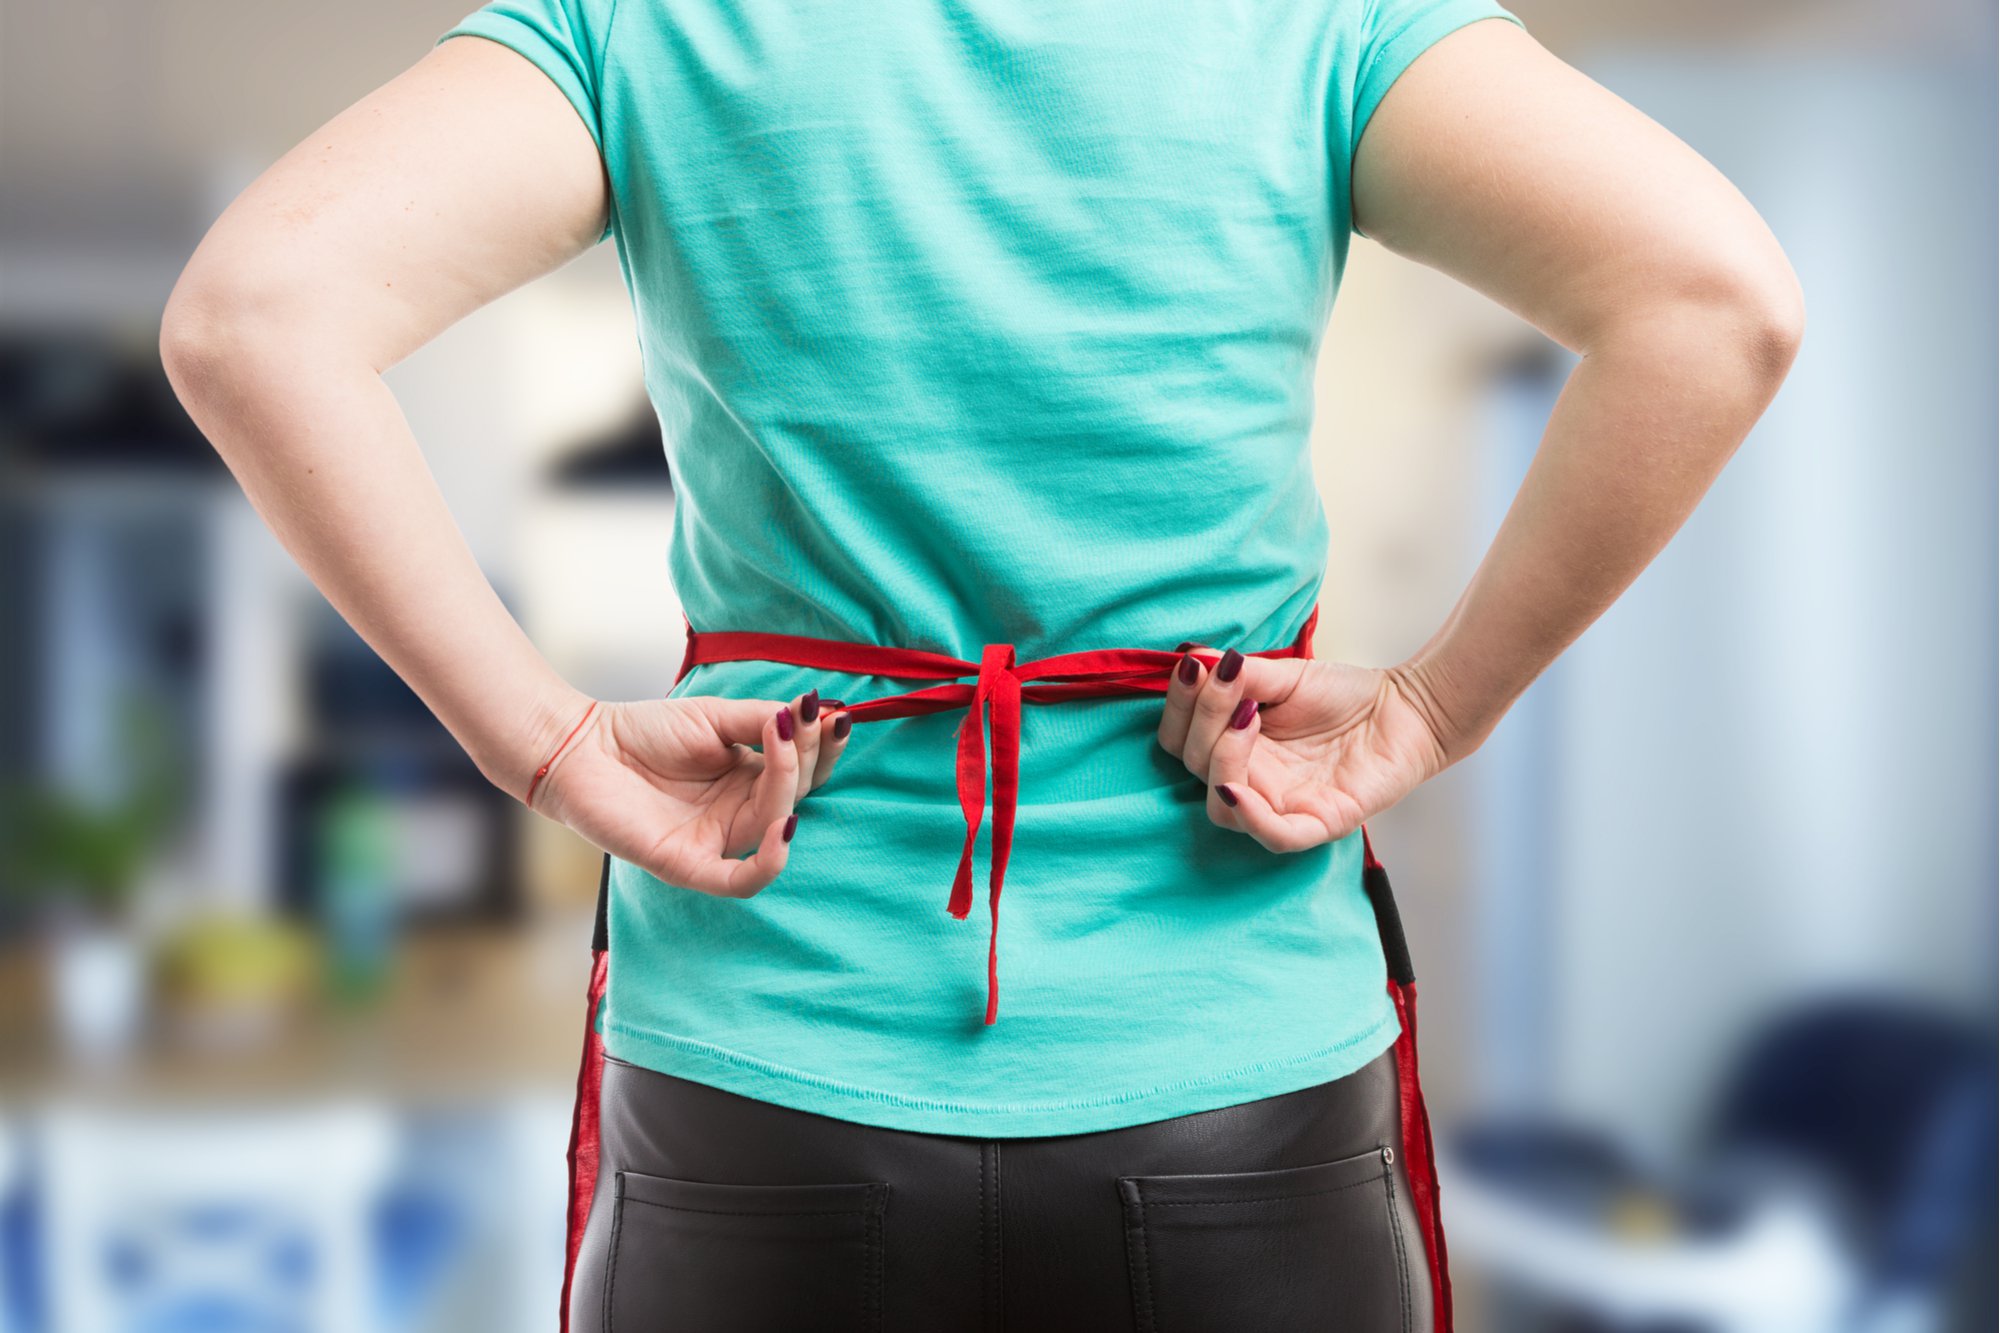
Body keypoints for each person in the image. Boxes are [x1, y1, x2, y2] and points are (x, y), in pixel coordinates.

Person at [158, 0, 1803, 1327]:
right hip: (1240, 1088)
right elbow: (1717, 303)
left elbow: (252, 318)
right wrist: (1435, 710)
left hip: (760, 1081)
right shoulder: (1321, 23)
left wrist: (547, 741)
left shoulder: (647, 26)